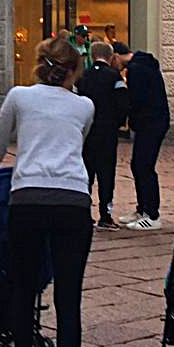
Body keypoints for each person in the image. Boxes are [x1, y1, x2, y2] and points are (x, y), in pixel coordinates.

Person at [0, 36, 95, 347]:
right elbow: (77, 142)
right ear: (73, 70)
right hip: (73, 202)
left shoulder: (20, 96)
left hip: (28, 199)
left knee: (24, 288)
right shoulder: (85, 106)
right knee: (69, 296)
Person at [112, 41, 170, 230]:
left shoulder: (136, 70)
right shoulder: (145, 65)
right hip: (155, 121)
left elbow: (136, 99)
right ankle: (143, 209)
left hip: (150, 123)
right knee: (140, 165)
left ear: (116, 56)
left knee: (143, 166)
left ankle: (151, 214)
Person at [76, 40, 129, 229]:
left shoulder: (83, 77)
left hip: (87, 132)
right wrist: (118, 123)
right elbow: (123, 103)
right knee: (106, 174)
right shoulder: (114, 77)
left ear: (91, 55)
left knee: (85, 173)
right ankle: (105, 214)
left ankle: (84, 212)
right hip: (107, 131)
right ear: (110, 56)